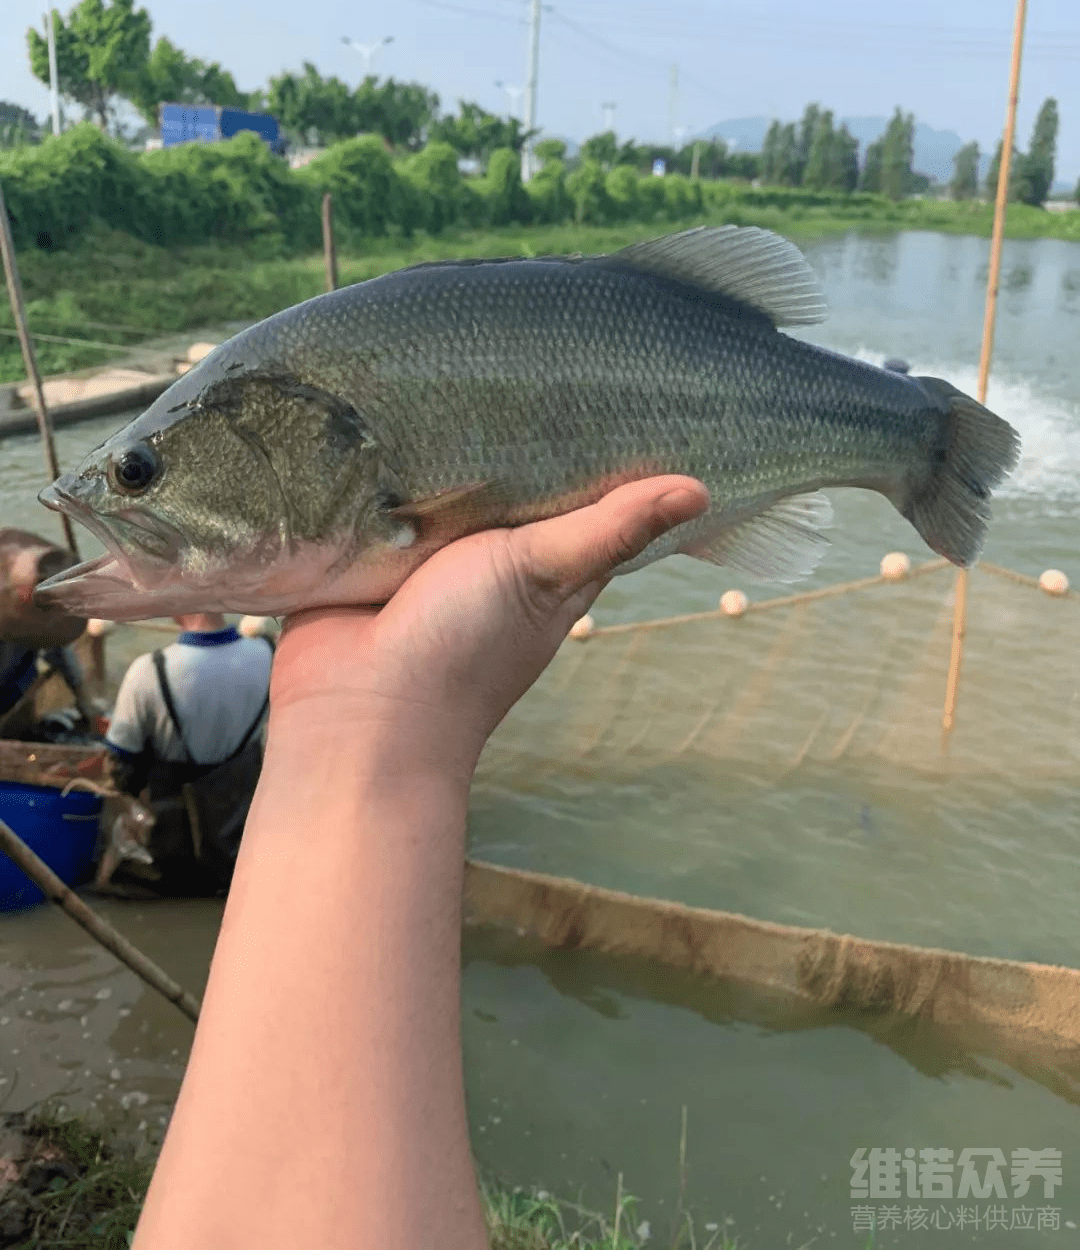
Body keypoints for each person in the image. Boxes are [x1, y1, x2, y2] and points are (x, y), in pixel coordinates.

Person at [130, 475, 708, 1250]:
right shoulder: (259, 652)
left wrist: (364, 728)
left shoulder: (148, 675)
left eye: (140, 473)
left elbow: (121, 764)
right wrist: (381, 725)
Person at [104, 612, 273, 893]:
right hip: (240, 850)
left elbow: (120, 766)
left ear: (173, 602)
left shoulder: (148, 669)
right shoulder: (269, 655)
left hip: (171, 859)